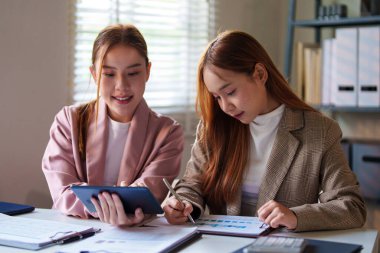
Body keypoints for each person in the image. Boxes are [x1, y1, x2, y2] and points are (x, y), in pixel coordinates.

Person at [163, 30, 366, 232]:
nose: (225, 107)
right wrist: (181, 204)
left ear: (260, 74)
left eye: (230, 92)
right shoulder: (213, 128)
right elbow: (192, 185)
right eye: (217, 97)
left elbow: (351, 207)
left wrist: (295, 216)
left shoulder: (320, 131)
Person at [42, 24, 184, 226]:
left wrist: (108, 205)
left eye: (133, 73)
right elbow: (63, 191)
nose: (121, 86)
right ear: (94, 74)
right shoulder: (68, 121)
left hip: (138, 238)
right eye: (109, 74)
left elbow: (148, 193)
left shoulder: (168, 133)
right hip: (72, 230)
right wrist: (117, 206)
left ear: (148, 71)